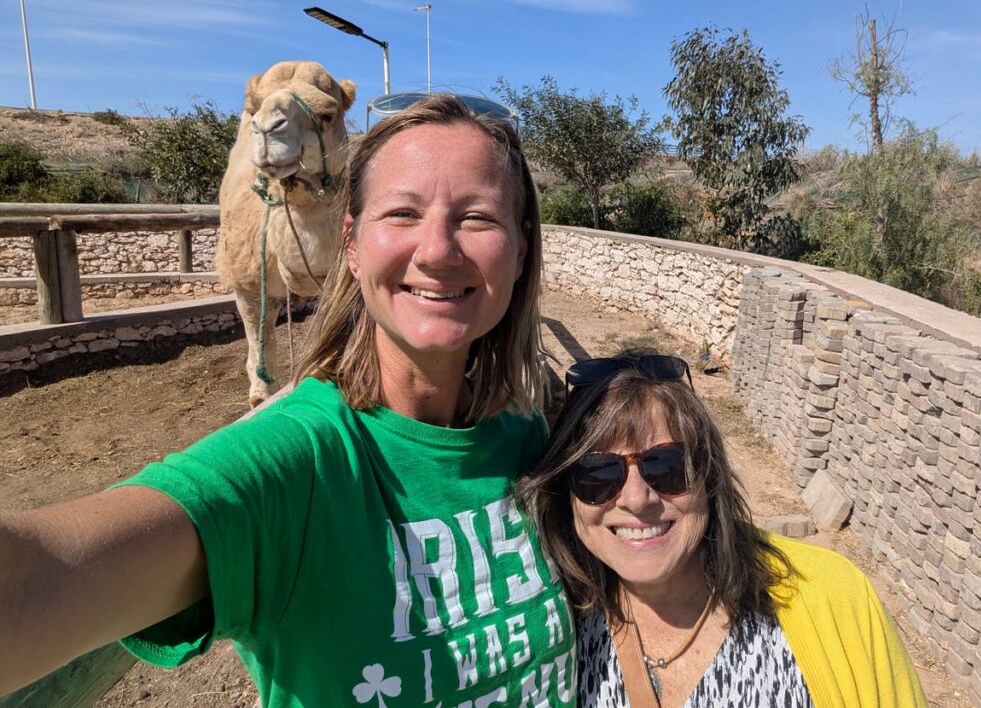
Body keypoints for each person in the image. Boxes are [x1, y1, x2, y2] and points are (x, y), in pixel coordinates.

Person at [0, 95, 576, 707]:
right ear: (351, 243)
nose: (436, 250)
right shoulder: (295, 464)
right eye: (402, 213)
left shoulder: (535, 433)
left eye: (477, 218)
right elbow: (35, 581)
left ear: (521, 249)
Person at [519, 350, 927, 708]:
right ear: (565, 494)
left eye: (667, 465)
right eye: (597, 473)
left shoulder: (834, 597)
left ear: (709, 475)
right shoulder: (556, 621)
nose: (637, 499)